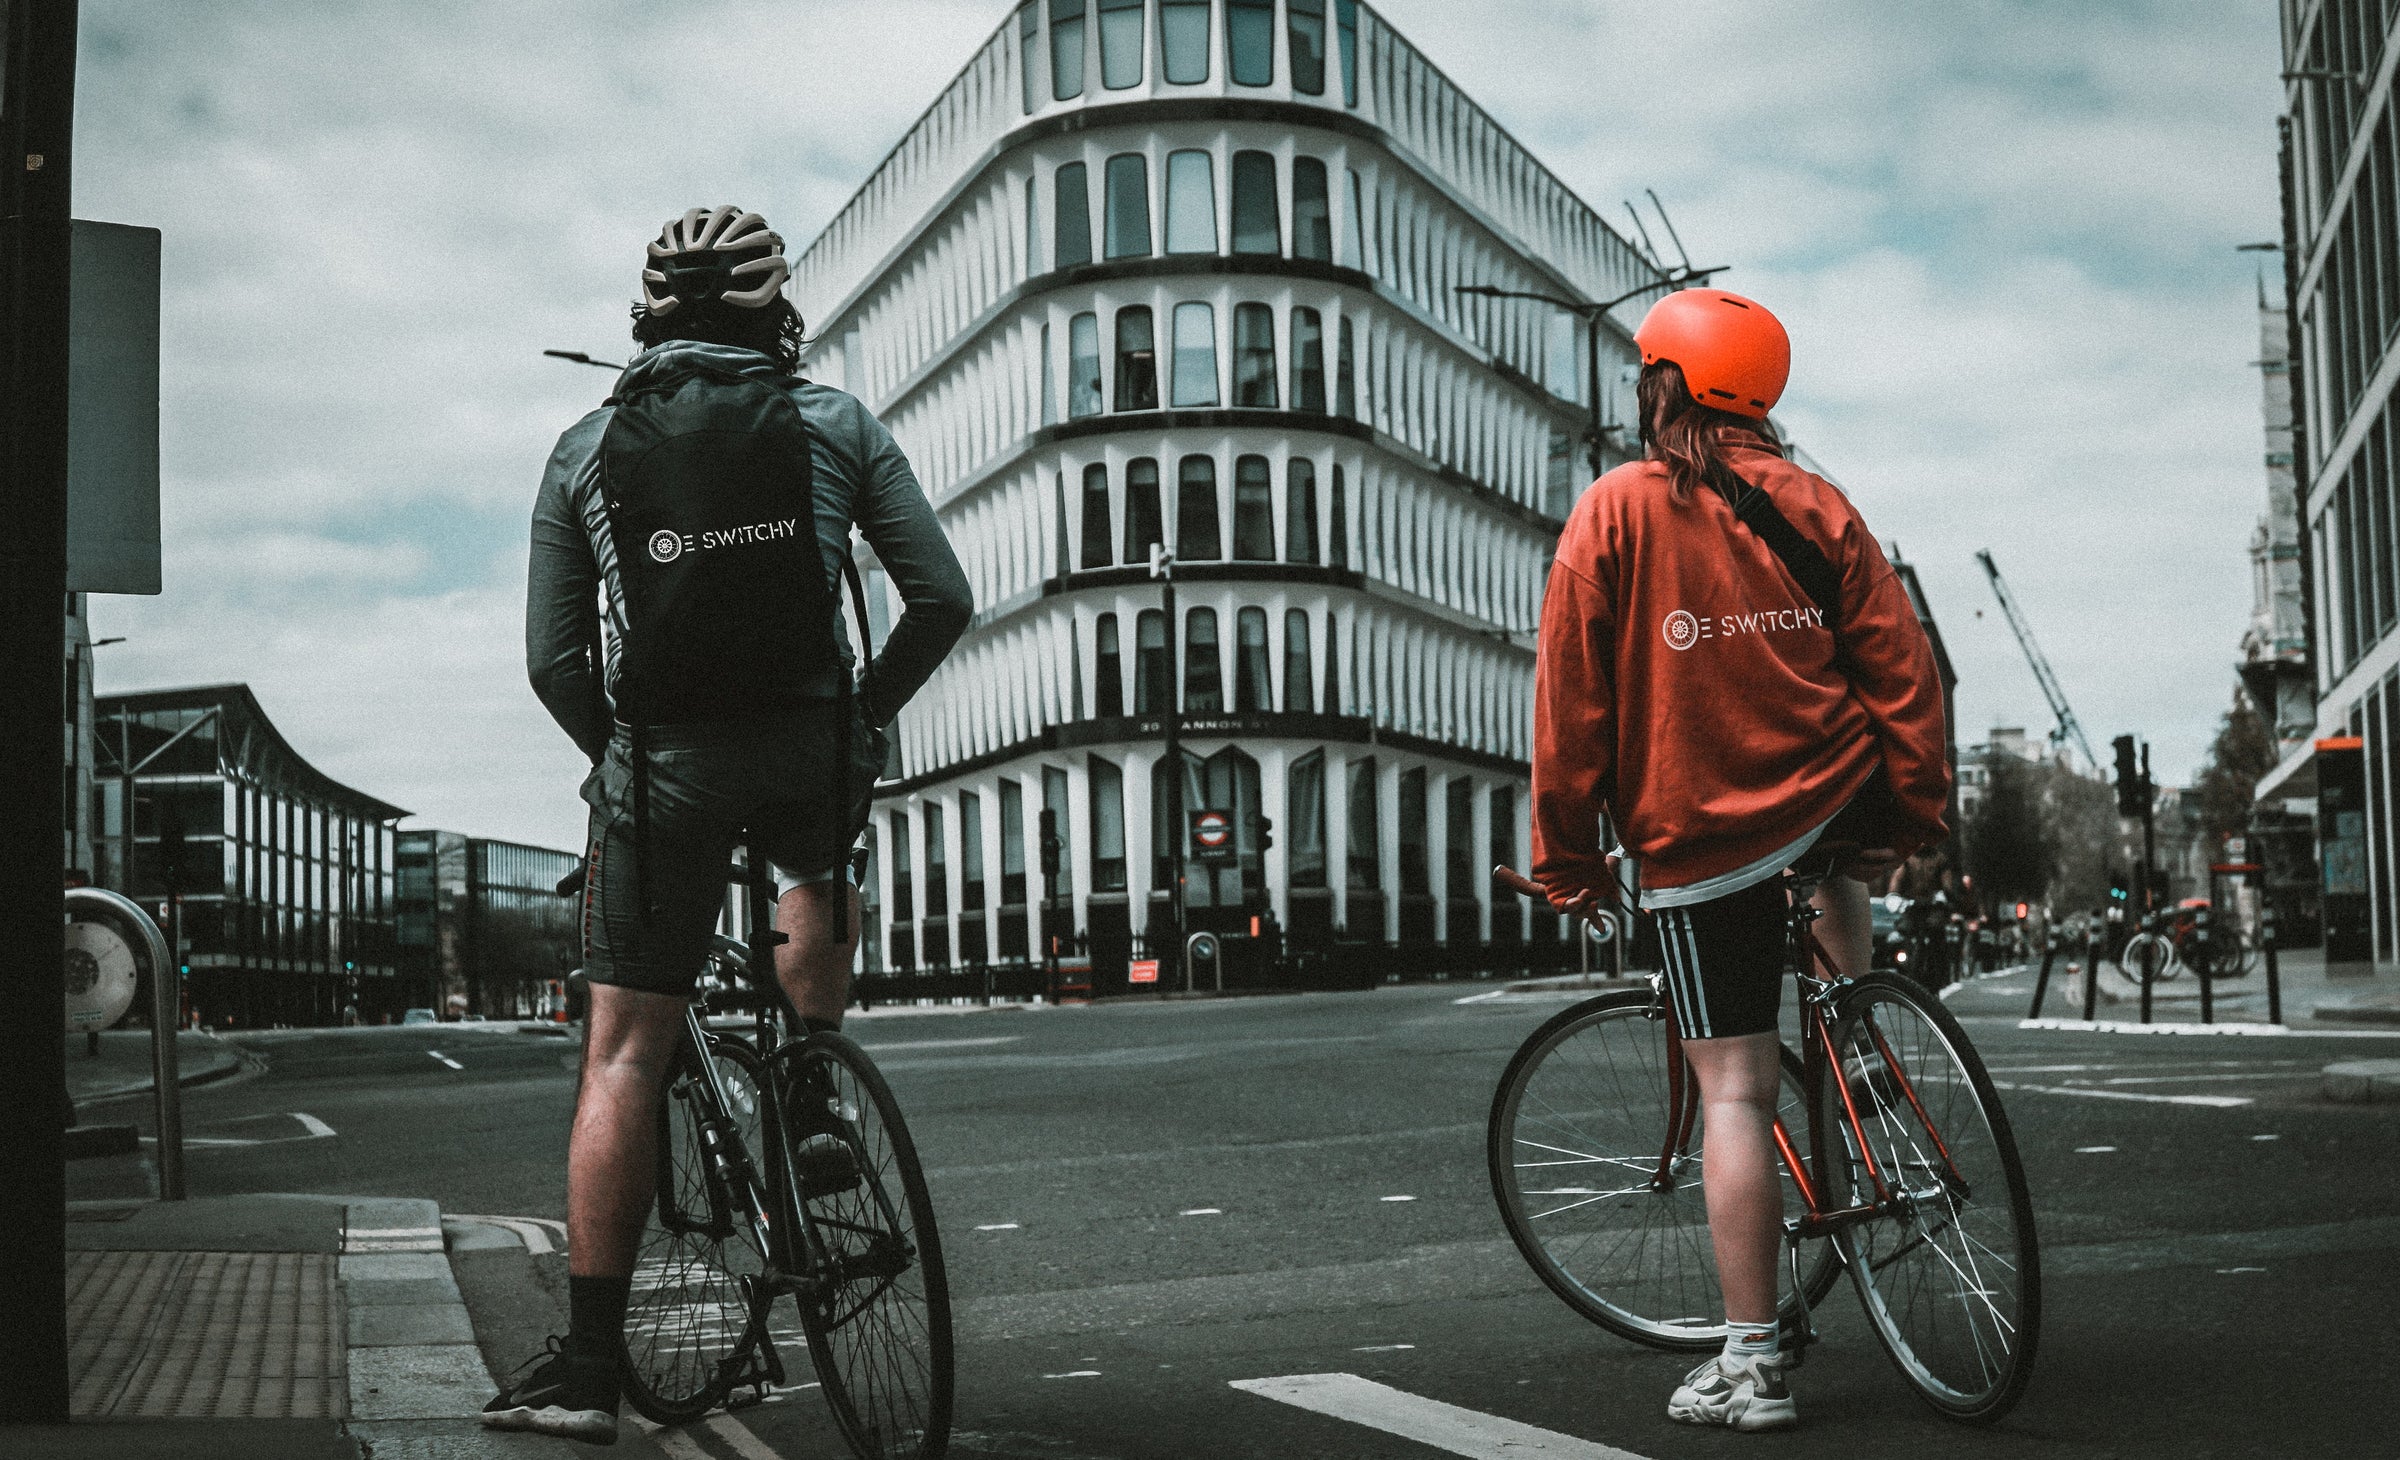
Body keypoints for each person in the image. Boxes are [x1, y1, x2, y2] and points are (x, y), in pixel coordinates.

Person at [485, 206, 971, 1445]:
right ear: (775, 311)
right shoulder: (832, 422)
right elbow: (941, 597)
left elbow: (552, 659)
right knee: (812, 859)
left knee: (623, 1053)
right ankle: (811, 1089)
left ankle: (593, 1372)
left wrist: (625, 765)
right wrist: (862, 714)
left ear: (647, 315)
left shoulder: (585, 448)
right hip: (810, 740)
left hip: (669, 769)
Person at [1530, 288, 1948, 1433]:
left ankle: (1754, 1358)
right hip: (1832, 793)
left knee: (1737, 1087)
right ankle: (1858, 1034)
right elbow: (1900, 668)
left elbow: (1569, 704)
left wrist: (1567, 854)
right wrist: (1912, 807)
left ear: (1661, 382)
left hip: (1704, 831)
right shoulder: (1817, 502)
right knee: (1830, 845)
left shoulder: (1613, 512)